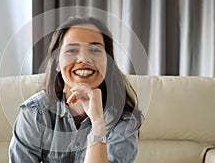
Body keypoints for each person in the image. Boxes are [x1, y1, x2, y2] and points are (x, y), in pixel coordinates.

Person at [9, 17, 143, 163]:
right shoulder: (35, 113)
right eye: (72, 50)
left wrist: (98, 124)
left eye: (95, 50)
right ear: (58, 63)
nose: (84, 59)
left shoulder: (124, 120)